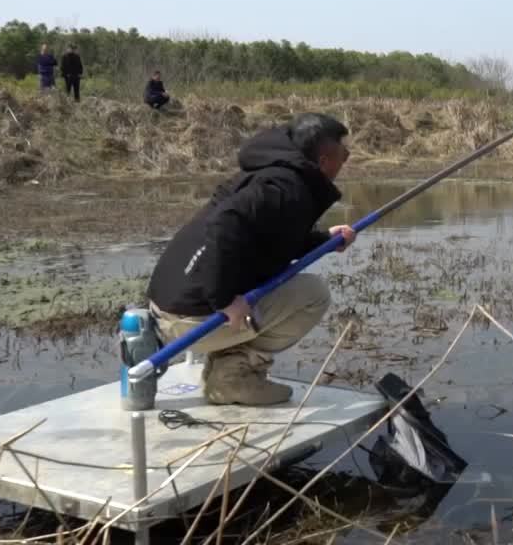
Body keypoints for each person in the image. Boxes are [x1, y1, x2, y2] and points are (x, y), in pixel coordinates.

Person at [145, 113, 358, 406]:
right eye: (344, 155)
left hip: (169, 307)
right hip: (189, 321)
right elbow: (226, 223)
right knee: (313, 295)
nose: (345, 162)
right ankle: (231, 378)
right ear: (323, 160)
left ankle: (226, 367)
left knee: (288, 285)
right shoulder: (287, 187)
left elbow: (271, 239)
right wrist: (224, 300)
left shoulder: (273, 172)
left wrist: (325, 241)